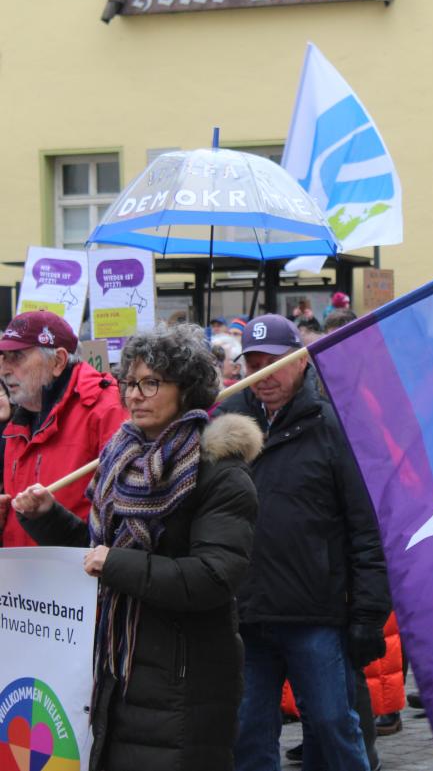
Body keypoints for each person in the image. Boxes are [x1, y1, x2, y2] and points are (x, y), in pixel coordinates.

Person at [3, 324, 261, 771]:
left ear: (187, 389)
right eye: (130, 383)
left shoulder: (219, 472)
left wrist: (117, 564)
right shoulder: (121, 456)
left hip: (183, 679)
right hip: (115, 668)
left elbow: (213, 577)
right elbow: (96, 550)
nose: (135, 395)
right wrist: (46, 517)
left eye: (151, 383)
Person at [219, 315, 391, 771]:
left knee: (334, 726)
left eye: (274, 362)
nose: (264, 374)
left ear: (300, 361)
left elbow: (365, 528)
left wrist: (369, 616)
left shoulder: (333, 425)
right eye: (253, 363)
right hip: (248, 614)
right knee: (248, 732)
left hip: (314, 613)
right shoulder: (224, 427)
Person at [0, 311, 128, 547]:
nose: (4, 369)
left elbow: (123, 521)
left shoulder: (106, 410)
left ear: (58, 361)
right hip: (23, 576)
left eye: (16, 356)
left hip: (79, 575)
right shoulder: (19, 421)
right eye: (3, 357)